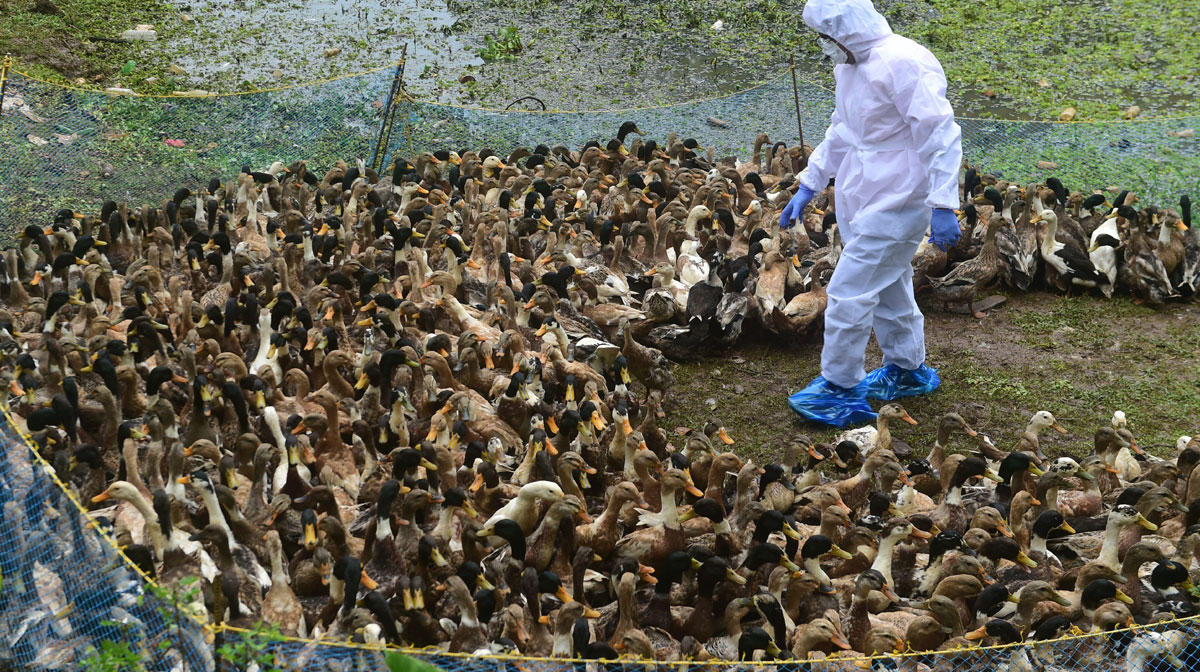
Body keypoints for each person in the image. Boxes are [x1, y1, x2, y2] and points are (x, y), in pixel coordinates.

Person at [781, 0, 963, 427]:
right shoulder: (850, 67)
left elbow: (939, 134)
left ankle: (840, 386)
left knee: (849, 292)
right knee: (889, 284)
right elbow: (843, 129)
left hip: (901, 198)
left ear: (845, 28)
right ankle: (907, 368)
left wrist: (943, 202)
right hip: (866, 194)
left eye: (826, 37)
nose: (825, 45)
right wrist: (811, 182)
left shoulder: (905, 61)